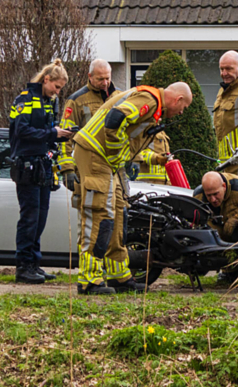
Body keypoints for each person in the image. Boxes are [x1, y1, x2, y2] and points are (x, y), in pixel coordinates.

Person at [72, 81, 193, 295]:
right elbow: (115, 119)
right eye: (183, 108)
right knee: (101, 216)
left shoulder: (152, 107)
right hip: (96, 155)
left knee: (120, 213)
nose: (181, 113)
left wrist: (145, 157)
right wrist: (115, 153)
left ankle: (119, 275)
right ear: (178, 99)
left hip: (106, 160)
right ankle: (89, 279)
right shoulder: (150, 100)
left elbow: (128, 139)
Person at [9, 59, 75, 284]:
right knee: (29, 217)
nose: (58, 92)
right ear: (46, 80)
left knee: (41, 217)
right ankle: (23, 266)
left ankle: (34, 264)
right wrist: (52, 134)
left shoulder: (50, 102)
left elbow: (48, 129)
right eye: (56, 87)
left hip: (44, 164)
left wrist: (60, 134)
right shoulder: (24, 99)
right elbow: (22, 130)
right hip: (27, 164)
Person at [57, 59, 115, 207]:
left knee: (117, 213)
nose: (105, 83)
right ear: (90, 76)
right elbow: (65, 136)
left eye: (108, 78)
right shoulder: (77, 101)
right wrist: (67, 168)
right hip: (88, 168)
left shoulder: (118, 98)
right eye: (100, 79)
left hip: (114, 167)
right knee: (89, 212)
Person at [196, 171, 238, 288]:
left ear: (224, 186)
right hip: (220, 236)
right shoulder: (199, 196)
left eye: (216, 194)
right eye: (209, 195)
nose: (212, 199)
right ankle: (227, 271)